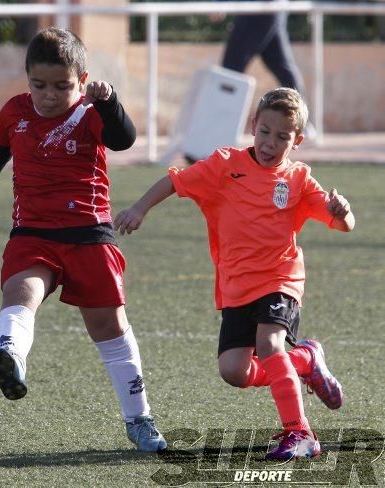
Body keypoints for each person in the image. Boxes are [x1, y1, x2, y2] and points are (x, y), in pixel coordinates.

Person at [0, 27, 166, 453]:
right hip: (33, 233)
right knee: (20, 292)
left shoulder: (90, 112)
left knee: (109, 329)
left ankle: (139, 420)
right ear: (27, 78)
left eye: (62, 86)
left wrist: (110, 102)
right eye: (39, 85)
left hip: (89, 235)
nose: (48, 95)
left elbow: (123, 139)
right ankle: (9, 354)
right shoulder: (15, 111)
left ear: (82, 81)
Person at [114, 87, 355, 460]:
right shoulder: (224, 165)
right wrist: (139, 208)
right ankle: (304, 360)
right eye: (264, 131)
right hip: (237, 287)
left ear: (298, 141)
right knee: (234, 371)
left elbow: (343, 223)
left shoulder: (298, 179)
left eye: (282, 137)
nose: (270, 143)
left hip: (280, 278)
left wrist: (343, 210)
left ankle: (300, 433)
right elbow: (175, 181)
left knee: (269, 345)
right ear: (253, 124)